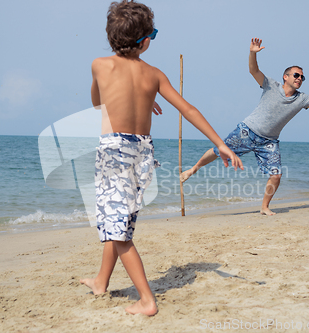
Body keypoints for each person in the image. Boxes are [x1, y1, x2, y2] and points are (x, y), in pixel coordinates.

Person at [79, 0, 243, 316]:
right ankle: (101, 281)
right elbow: (188, 109)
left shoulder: (100, 64)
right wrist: (219, 143)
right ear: (144, 41)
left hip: (114, 152)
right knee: (121, 221)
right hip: (143, 153)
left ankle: (146, 301)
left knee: (118, 230)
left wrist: (117, 101)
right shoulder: (154, 74)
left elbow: (96, 98)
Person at [180, 38, 309, 216]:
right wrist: (252, 53)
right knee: (218, 150)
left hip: (269, 142)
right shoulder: (270, 84)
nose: (299, 78)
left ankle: (264, 207)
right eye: (296, 75)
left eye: (302, 77)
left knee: (276, 175)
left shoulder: (302, 99)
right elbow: (254, 70)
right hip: (248, 131)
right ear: (285, 77)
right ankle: (193, 169)